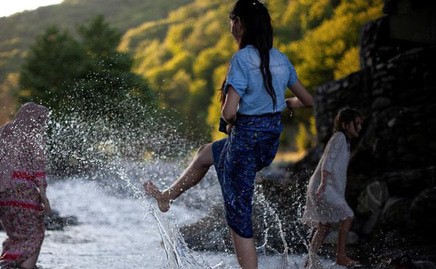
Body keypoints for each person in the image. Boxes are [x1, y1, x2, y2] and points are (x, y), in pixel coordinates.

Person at [143, 0, 314, 268]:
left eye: (233, 21)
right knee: (205, 153)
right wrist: (281, 104)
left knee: (238, 214)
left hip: (244, 145)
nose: (231, 27)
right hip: (267, 146)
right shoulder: (280, 58)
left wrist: (235, 111)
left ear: (240, 24)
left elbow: (229, 113)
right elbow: (306, 100)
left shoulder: (242, 58)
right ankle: (167, 196)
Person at [0, 102, 51, 269]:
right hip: (22, 190)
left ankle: (7, 262)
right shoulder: (32, 134)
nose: (43, 124)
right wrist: (44, 196)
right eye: (42, 120)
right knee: (35, 234)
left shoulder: (3, 131)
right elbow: (38, 167)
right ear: (34, 118)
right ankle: (26, 266)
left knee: (16, 235)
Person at [301, 108, 363, 267]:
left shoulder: (344, 140)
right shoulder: (339, 137)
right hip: (323, 186)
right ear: (345, 124)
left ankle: (309, 261)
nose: (359, 128)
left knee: (324, 225)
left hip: (323, 185)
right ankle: (340, 256)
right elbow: (328, 160)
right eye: (356, 124)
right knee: (348, 216)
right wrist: (323, 184)